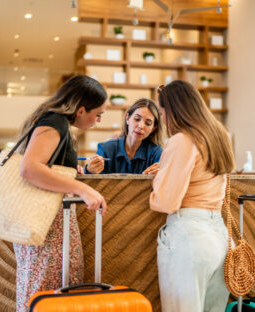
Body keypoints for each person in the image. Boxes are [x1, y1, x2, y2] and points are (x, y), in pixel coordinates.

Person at [13, 75, 108, 312]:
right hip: (48, 224)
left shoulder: (55, 122)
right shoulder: (54, 121)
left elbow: (43, 166)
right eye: (97, 114)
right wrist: (82, 188)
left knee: (49, 294)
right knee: (48, 294)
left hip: (49, 222)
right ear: (81, 110)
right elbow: (30, 168)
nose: (97, 120)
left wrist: (67, 171)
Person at [150, 81, 236, 312]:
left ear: (173, 110)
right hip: (220, 239)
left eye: (161, 112)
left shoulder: (182, 140)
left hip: (189, 238)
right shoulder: (220, 136)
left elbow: (166, 201)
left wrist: (158, 179)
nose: (162, 119)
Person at [85, 98, 163, 175]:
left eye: (148, 123)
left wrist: (163, 173)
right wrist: (89, 170)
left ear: (153, 128)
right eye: (137, 119)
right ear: (127, 118)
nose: (141, 126)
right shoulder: (106, 149)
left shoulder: (156, 153)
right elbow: (92, 182)